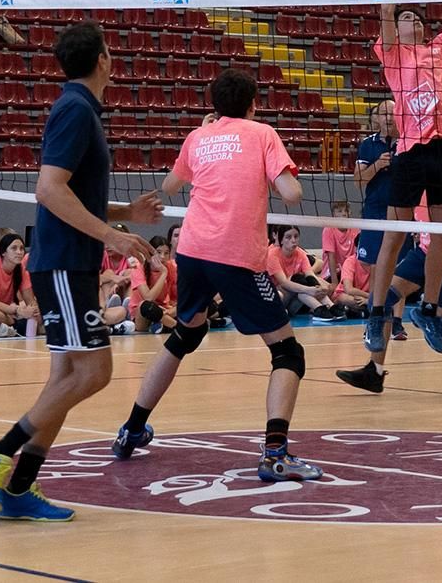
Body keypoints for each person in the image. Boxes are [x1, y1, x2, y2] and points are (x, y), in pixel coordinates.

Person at [0, 20, 161, 522]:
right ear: (102, 59)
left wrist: (123, 215)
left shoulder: (81, 110)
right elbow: (49, 190)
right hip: (66, 263)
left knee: (65, 378)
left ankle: (17, 490)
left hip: (68, 259)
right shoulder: (75, 110)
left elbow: (74, 195)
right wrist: (111, 236)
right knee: (94, 373)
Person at [111, 69, 323, 483]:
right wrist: (273, 172)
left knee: (185, 334)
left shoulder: (199, 136)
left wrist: (205, 141)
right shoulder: (262, 133)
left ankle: (132, 428)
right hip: (236, 255)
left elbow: (170, 186)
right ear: (253, 103)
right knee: (288, 352)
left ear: (214, 105)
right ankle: (276, 454)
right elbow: (293, 194)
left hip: (191, 251)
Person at [367, 0, 442, 354]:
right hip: (410, 151)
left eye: (415, 17)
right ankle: (377, 314)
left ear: (425, 29)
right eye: (404, 17)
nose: (408, 18)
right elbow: (386, 7)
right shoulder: (393, 55)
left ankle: (428, 307)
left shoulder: (439, 49)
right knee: (396, 234)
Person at [336, 163, 442, 398]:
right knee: (383, 298)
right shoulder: (410, 172)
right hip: (427, 250)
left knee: (441, 327)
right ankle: (374, 371)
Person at [354, 99, 410, 339]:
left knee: (400, 269)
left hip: (402, 213)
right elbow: (358, 181)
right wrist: (377, 166)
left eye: (392, 113)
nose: (388, 118)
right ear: (375, 118)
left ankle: (396, 322)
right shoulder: (368, 145)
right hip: (375, 214)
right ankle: (376, 317)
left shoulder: (410, 143)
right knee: (377, 267)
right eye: (383, 113)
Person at [267, 225, 346, 322]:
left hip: (297, 297)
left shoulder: (300, 253)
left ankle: (327, 307)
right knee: (298, 279)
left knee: (307, 281)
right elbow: (283, 282)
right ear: (281, 240)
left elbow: (310, 274)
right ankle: (319, 308)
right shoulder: (272, 254)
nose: (293, 240)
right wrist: (309, 289)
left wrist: (318, 288)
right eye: (288, 237)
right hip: (280, 298)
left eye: (296, 236)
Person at [131, 235, 178, 333]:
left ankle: (163, 326)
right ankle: (178, 328)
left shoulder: (171, 267)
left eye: (166, 253)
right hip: (144, 313)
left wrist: (173, 309)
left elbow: (177, 296)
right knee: (147, 306)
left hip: (165, 311)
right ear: (150, 253)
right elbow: (148, 298)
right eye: (159, 252)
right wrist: (164, 273)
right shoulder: (139, 268)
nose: (162, 257)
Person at [321, 201, 358, 287]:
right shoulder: (329, 229)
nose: (344, 213)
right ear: (334, 214)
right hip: (333, 271)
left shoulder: (355, 228)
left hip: (349, 270)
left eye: (346, 211)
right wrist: (335, 283)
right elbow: (331, 257)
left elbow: (356, 255)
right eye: (340, 211)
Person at [331, 251, 371, 315]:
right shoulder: (350, 261)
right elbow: (349, 289)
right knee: (349, 299)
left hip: (367, 297)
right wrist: (370, 297)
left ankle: (361, 310)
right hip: (349, 295)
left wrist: (368, 300)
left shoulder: (378, 262)